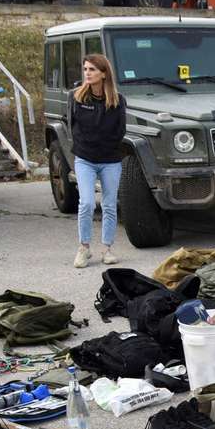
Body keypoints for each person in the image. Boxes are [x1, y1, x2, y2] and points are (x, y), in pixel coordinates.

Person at [68, 53, 126, 269]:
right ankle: (84, 248)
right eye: (85, 69)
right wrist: (86, 145)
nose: (87, 73)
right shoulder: (76, 97)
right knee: (87, 203)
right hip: (85, 159)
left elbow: (120, 130)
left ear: (103, 73)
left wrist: (105, 145)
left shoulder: (118, 100)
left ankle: (107, 249)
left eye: (92, 69)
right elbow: (72, 126)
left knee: (109, 204)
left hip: (110, 159)